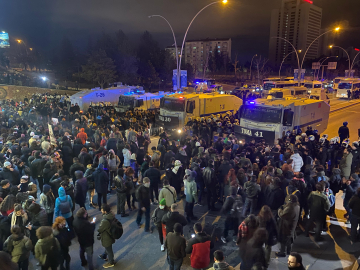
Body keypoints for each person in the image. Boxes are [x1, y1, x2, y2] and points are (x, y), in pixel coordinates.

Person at [98, 204, 116, 268]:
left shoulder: (105, 220)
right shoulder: (111, 215)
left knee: (109, 249)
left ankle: (111, 262)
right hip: (110, 234)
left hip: (107, 236)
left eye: (102, 210)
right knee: (108, 247)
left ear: (105, 211)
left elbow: (100, 229)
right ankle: (104, 255)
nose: (101, 211)